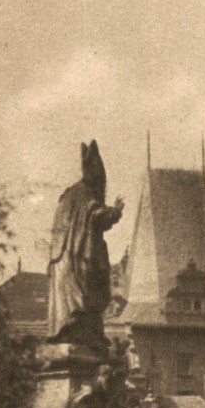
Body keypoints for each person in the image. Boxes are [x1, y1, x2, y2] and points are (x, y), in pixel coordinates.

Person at [46, 140, 124, 351]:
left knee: (78, 302)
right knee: (88, 295)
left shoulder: (70, 195)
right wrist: (116, 211)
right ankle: (84, 333)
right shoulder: (85, 194)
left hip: (63, 263)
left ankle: (76, 332)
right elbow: (95, 216)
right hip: (75, 262)